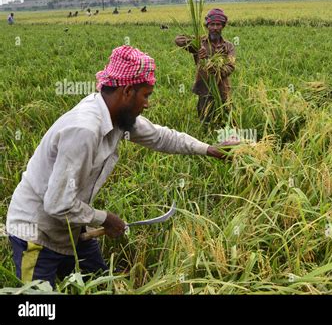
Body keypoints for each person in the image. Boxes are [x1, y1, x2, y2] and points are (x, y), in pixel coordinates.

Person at [6, 45, 229, 288]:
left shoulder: (116, 116)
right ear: (127, 91)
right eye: (146, 95)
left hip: (74, 225)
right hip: (37, 233)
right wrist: (105, 219)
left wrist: (208, 149)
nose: (147, 104)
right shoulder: (84, 130)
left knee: (104, 285)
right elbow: (57, 203)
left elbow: (161, 137)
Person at [175, 8, 235, 123]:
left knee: (226, 119)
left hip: (222, 88)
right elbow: (178, 40)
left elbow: (230, 66)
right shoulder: (200, 42)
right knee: (205, 120)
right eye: (212, 24)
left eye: (218, 24)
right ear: (207, 26)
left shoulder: (229, 46)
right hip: (204, 87)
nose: (215, 28)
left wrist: (213, 67)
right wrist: (198, 48)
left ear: (223, 26)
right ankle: (206, 136)